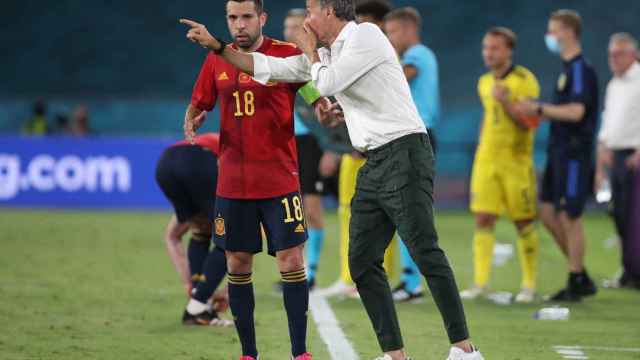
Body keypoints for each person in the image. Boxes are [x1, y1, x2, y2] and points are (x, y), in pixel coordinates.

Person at [179, 0, 484, 359]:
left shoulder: (366, 36)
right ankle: (394, 354)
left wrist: (309, 52)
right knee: (362, 262)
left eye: (309, 12)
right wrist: (217, 47)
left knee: (424, 250)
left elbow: (328, 81)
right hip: (372, 160)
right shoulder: (325, 53)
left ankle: (464, 349)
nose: (304, 22)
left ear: (329, 12)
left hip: (405, 152)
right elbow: (264, 65)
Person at [180, 1, 327, 359]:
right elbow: (200, 101)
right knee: (237, 263)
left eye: (246, 17)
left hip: (279, 179)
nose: (239, 25)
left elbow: (307, 83)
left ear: (261, 18)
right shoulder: (217, 59)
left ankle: (299, 353)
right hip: (233, 183)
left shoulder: (284, 54)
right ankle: (249, 353)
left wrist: (320, 102)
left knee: (291, 261)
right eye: (233, 18)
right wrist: (192, 118)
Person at [317, 0, 397, 299]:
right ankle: (348, 276)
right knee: (347, 213)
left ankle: (385, 277)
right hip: (355, 147)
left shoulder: (383, 56)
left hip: (384, 149)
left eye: (363, 24)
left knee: (390, 216)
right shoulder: (349, 53)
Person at [519, 9, 599, 302]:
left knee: (570, 215)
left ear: (568, 32)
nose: (549, 36)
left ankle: (576, 276)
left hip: (574, 153)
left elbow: (577, 112)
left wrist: (539, 108)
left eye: (552, 30)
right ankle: (580, 273)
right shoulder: (567, 69)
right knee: (548, 211)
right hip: (558, 151)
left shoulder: (580, 70)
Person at [458, 27, 541, 303]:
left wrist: (506, 102)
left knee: (523, 222)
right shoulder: (484, 82)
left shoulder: (525, 80)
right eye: (486, 48)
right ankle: (481, 283)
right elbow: (488, 116)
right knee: (483, 218)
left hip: (516, 162)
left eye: (494, 48)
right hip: (487, 160)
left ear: (508, 50)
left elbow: (530, 122)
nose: (488, 53)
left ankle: (529, 284)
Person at [384, 6, 442, 302]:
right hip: (417, 137)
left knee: (410, 211)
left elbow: (399, 78)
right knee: (405, 209)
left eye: (392, 32)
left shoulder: (416, 55)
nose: (389, 38)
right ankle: (410, 280)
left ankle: (412, 282)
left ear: (408, 29)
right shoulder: (421, 55)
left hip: (417, 137)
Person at [155, 133, 231, 326]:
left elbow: (172, 237)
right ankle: (196, 308)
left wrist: (188, 283)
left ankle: (199, 298)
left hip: (165, 163)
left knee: (201, 227)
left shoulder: (219, 140)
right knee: (232, 238)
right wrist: (232, 291)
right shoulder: (246, 154)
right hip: (199, 161)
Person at [284, 9, 327, 290]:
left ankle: (310, 272)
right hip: (284, 143)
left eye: (295, 26)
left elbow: (329, 101)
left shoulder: (318, 61)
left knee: (311, 210)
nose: (289, 31)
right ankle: (296, 270)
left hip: (311, 143)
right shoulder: (280, 61)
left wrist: (334, 147)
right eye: (286, 26)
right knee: (292, 211)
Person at [596, 33, 640, 289]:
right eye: (611, 53)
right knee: (620, 215)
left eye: (619, 53)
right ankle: (628, 271)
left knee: (636, 219)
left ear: (633, 54)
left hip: (636, 157)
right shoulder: (614, 84)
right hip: (616, 157)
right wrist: (602, 149)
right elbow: (608, 121)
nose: (613, 58)